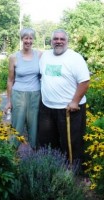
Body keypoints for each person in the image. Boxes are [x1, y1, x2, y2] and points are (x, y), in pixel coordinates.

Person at [38, 29, 90, 167]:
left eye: (62, 39)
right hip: (47, 107)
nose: (59, 41)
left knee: (71, 142)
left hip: (69, 108)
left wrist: (75, 102)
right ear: (51, 41)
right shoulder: (45, 56)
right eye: (56, 39)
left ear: (67, 41)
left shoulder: (75, 58)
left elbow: (84, 82)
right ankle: (53, 166)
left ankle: (73, 171)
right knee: (48, 139)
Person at [4, 27, 42, 150]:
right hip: (18, 95)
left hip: (35, 95)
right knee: (17, 125)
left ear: (33, 40)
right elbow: (10, 80)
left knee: (34, 125)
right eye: (26, 38)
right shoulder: (14, 57)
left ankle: (35, 153)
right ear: (22, 39)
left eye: (31, 38)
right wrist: (9, 101)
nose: (28, 41)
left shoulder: (40, 55)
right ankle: (13, 152)